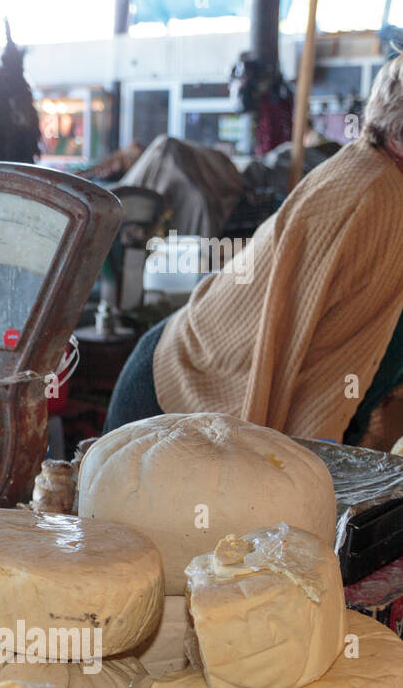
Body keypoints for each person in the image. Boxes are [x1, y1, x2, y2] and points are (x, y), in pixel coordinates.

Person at [105, 54, 403, 442]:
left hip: (188, 386)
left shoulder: (373, 173)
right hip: (181, 404)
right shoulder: (376, 200)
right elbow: (335, 367)